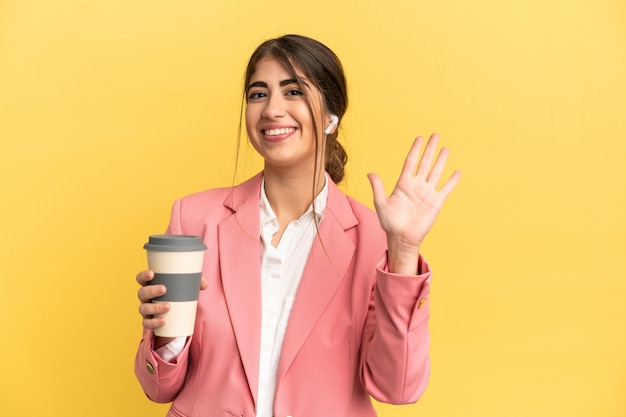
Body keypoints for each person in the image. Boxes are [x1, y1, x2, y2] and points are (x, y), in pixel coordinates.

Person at [134, 34, 461, 417]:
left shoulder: (376, 238)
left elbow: (398, 387)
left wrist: (403, 251)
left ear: (331, 117)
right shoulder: (195, 219)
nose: (272, 109)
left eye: (293, 92)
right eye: (259, 94)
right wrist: (167, 331)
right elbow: (158, 387)